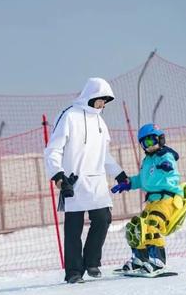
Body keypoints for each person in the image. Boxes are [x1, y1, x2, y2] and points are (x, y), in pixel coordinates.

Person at [44, 77, 128, 284]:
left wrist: (118, 173)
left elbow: (104, 154)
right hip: (73, 181)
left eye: (106, 101)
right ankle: (73, 272)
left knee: (103, 219)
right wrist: (58, 175)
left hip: (97, 182)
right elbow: (53, 148)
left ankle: (91, 262)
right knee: (74, 227)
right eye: (101, 99)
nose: (103, 104)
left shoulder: (100, 121)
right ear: (90, 96)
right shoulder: (69, 116)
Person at [111, 123, 186, 274]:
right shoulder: (147, 161)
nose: (149, 145)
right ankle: (140, 260)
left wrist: (166, 165)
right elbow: (143, 181)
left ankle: (158, 262)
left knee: (152, 225)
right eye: (145, 143)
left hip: (166, 199)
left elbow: (169, 164)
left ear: (160, 139)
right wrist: (128, 184)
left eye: (151, 141)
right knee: (137, 228)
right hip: (152, 201)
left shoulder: (165, 155)